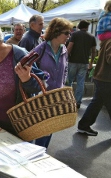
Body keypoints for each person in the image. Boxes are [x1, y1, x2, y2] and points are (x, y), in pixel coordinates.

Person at [32, 17, 73, 148]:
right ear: (56, 32)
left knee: (50, 128)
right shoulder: (41, 48)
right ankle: (35, 154)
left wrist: (62, 86)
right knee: (40, 129)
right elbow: (27, 66)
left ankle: (42, 153)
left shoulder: (64, 50)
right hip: (41, 96)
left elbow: (65, 69)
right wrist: (40, 79)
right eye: (66, 33)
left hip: (56, 97)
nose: (69, 36)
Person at [77, 38, 111, 136]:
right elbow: (110, 59)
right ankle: (83, 126)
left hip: (103, 78)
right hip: (107, 80)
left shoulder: (108, 40)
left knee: (96, 104)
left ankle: (83, 126)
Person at [66, 20, 96, 109]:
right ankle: (78, 102)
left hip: (73, 61)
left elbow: (70, 46)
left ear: (79, 26)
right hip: (84, 63)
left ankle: (67, 100)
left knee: (69, 81)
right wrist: (91, 62)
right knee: (80, 83)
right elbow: (94, 51)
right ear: (87, 27)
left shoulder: (75, 34)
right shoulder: (92, 37)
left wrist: (65, 58)